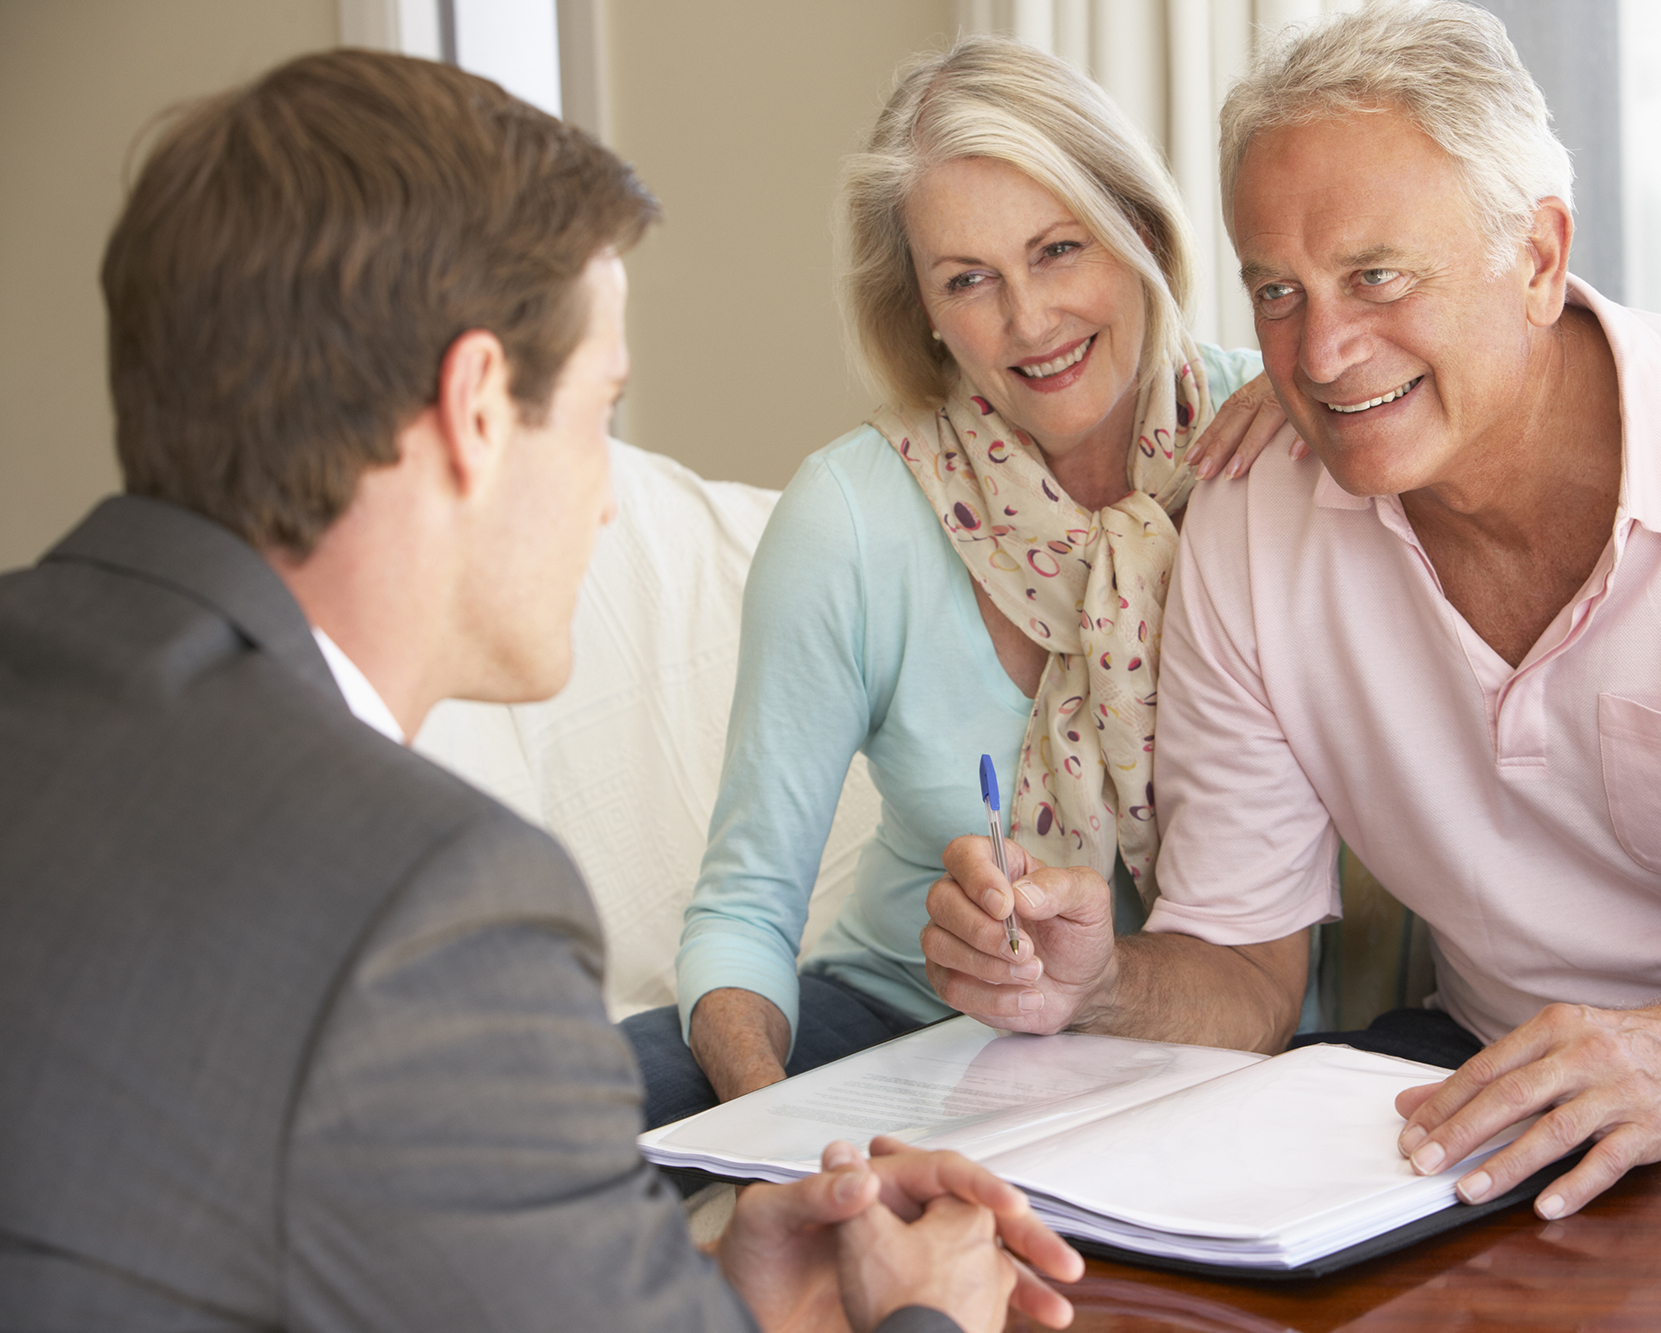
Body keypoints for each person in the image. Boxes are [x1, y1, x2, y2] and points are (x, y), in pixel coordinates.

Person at [0, 50, 1083, 1332]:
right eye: (599, 411)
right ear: (472, 408)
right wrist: (923, 1318)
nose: (611, 493)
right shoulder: (428, 911)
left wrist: (713, 1300)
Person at [921, 0, 1661, 1225]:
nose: (1321, 353)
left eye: (1374, 277)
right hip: (1490, 1069)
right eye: (1275, 291)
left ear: (1536, 257)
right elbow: (1242, 970)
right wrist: (1098, 981)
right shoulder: (1247, 520)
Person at [617, 34, 1299, 1130]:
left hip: (1206, 1026)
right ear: (922, 311)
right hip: (910, 1020)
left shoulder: (1277, 442)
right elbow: (744, 906)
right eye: (968, 280)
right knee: (552, 1105)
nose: (1028, 321)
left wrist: (1311, 403)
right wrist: (772, 1134)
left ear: (1138, 230)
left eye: (1058, 249)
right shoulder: (849, 516)